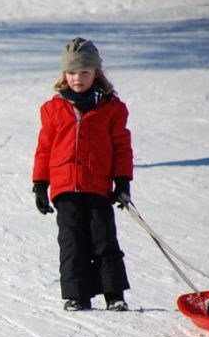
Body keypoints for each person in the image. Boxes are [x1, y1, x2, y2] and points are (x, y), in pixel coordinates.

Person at [31, 38, 133, 312]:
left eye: (84, 72)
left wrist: (122, 182)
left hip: (98, 186)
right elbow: (44, 148)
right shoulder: (53, 109)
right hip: (65, 189)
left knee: (104, 239)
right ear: (64, 75)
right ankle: (77, 295)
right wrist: (40, 184)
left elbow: (121, 147)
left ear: (96, 73)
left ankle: (114, 294)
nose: (78, 78)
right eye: (72, 73)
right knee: (72, 243)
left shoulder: (112, 108)